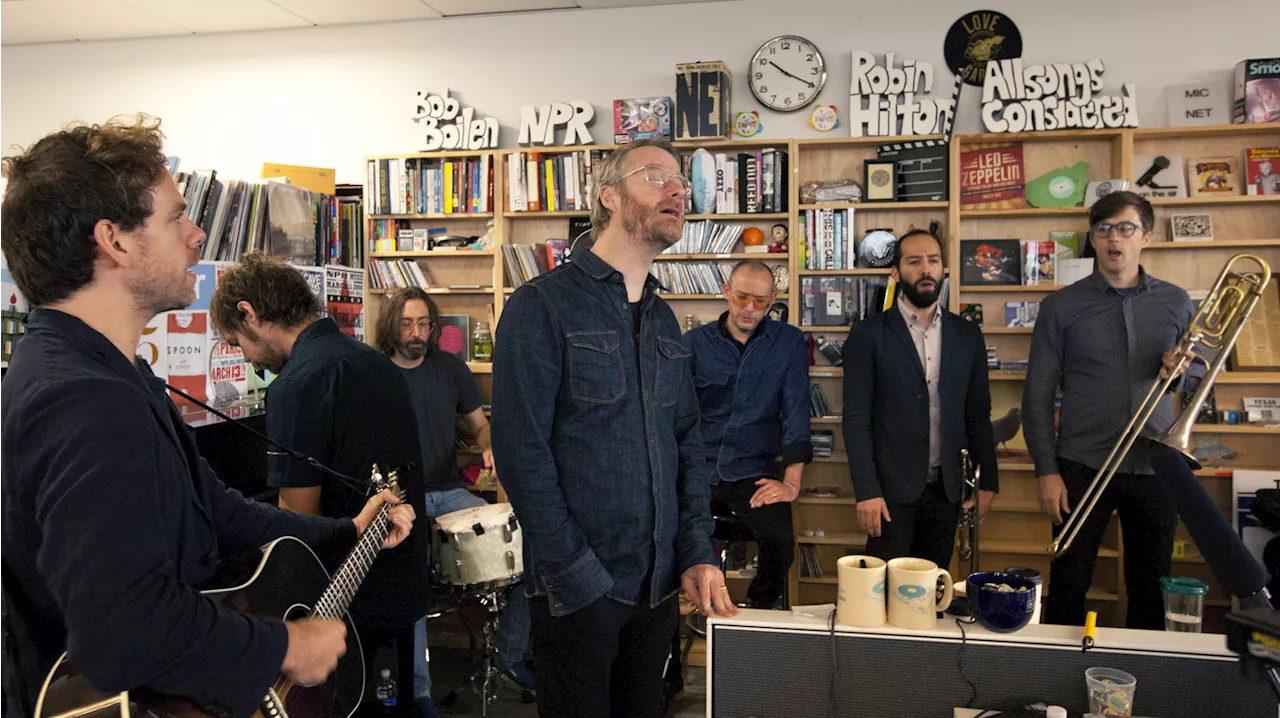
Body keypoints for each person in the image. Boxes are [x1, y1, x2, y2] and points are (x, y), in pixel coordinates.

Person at [0, 115, 415, 718]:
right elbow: (124, 628)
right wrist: (285, 645)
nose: (197, 235)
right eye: (174, 217)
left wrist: (348, 531)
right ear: (113, 240)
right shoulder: (82, 398)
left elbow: (214, 510)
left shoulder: (109, 372)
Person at [491, 137, 736, 718]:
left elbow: (688, 446)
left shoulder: (665, 321)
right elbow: (522, 456)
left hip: (657, 591)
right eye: (656, 176)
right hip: (580, 593)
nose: (678, 189)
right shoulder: (541, 306)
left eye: (682, 181)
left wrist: (697, 553)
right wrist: (578, 577)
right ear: (608, 196)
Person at [210, 253, 430, 714]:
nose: (246, 357)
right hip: (401, 579)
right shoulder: (375, 362)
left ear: (249, 314)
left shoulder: (297, 384)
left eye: (236, 342)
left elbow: (296, 527)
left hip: (342, 606)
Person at [1024, 190, 1202, 630]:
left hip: (1156, 464)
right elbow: (1037, 395)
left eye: (1125, 228)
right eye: (1103, 229)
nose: (1113, 239)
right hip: (1082, 464)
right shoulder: (1060, 307)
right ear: (1093, 239)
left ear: (1145, 236)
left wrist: (1179, 373)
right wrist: (1046, 470)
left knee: (1150, 585)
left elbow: (1199, 377)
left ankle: (1145, 683)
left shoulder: (1176, 301)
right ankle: (1056, 680)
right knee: (1068, 582)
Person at [374, 288, 536, 707]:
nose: (416, 333)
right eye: (407, 323)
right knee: (408, 577)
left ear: (434, 326)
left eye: (424, 323)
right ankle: (419, 690)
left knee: (526, 544)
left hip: (447, 493)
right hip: (398, 500)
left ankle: (509, 657)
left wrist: (489, 444)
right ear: (392, 323)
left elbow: (479, 426)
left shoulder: (450, 367)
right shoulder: (373, 372)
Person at [842, 229, 999, 569]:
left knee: (931, 595)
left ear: (943, 268)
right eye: (914, 262)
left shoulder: (967, 335)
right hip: (888, 491)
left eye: (933, 261)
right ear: (896, 272)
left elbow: (978, 413)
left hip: (947, 490)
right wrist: (866, 491)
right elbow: (856, 420)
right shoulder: (868, 334)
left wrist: (988, 483)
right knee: (881, 597)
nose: (925, 269)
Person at [682, 260, 811, 609]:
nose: (750, 309)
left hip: (752, 472)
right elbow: (674, 416)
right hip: (697, 469)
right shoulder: (694, 343)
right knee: (663, 539)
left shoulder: (788, 342)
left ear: (773, 300)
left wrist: (791, 485)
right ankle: (683, 613)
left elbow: (798, 414)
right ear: (726, 291)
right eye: (741, 298)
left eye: (761, 301)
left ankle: (756, 613)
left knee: (781, 544)